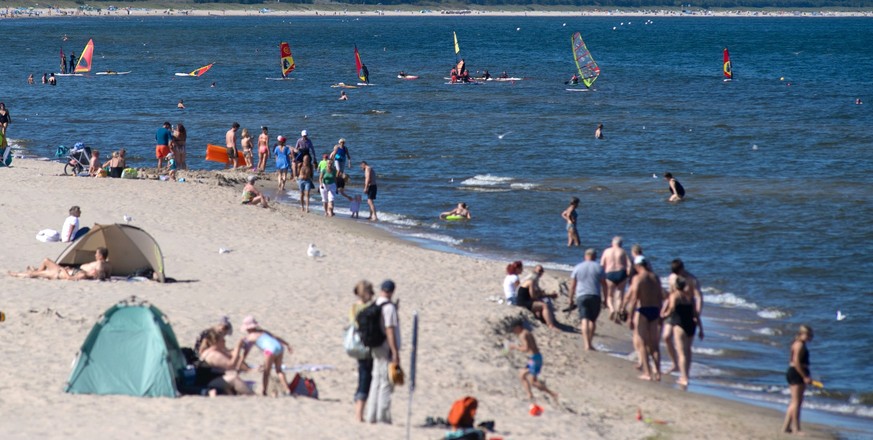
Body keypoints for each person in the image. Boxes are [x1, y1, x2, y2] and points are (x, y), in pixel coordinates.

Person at [365, 280, 401, 424]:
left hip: (375, 346)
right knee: (386, 383)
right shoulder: (389, 308)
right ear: (392, 291)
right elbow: (390, 330)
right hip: (385, 347)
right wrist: (395, 352)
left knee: (376, 381)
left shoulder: (376, 304)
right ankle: (382, 417)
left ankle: (371, 415)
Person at [624, 255, 663, 381]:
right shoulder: (655, 277)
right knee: (654, 345)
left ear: (637, 266)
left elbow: (635, 298)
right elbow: (660, 296)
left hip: (644, 311)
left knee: (642, 344)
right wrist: (661, 314)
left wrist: (630, 317)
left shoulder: (638, 278)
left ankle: (647, 373)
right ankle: (658, 372)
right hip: (655, 310)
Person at [233, 316, 294, 396]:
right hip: (279, 347)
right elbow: (275, 337)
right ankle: (287, 390)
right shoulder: (263, 331)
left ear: (249, 328)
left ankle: (264, 391)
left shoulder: (250, 337)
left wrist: (238, 365)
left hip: (269, 350)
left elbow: (245, 353)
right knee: (279, 370)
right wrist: (287, 344)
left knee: (266, 372)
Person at [660, 276, 703, 387]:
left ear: (676, 285)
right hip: (691, 326)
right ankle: (686, 375)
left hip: (680, 325)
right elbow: (695, 314)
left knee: (681, 353)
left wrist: (664, 315)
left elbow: (672, 308)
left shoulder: (675, 295)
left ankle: (683, 378)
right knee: (688, 351)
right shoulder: (690, 297)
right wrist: (701, 329)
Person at [508, 319, 559, 404]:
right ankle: (530, 395)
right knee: (522, 375)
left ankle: (552, 394)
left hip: (535, 358)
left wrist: (515, 347)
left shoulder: (522, 335)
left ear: (518, 327)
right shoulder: (526, 332)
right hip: (534, 358)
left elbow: (526, 348)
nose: (513, 331)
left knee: (533, 382)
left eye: (514, 329)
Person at [567, 249, 607, 351]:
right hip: (595, 295)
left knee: (584, 319)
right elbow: (604, 285)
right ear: (595, 257)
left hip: (581, 296)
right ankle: (590, 342)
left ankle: (586, 344)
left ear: (585, 256)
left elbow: (572, 286)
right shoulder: (599, 268)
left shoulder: (578, 267)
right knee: (592, 321)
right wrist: (606, 299)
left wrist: (570, 299)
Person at [350, 281, 375, 422]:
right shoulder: (367, 308)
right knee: (366, 378)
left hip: (357, 345)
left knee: (362, 374)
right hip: (366, 346)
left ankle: (358, 412)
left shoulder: (353, 307)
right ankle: (359, 414)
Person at [782, 325, 814, 435]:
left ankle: (786, 427)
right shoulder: (799, 345)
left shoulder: (798, 344)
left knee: (794, 402)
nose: (810, 337)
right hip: (796, 373)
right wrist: (804, 376)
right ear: (802, 334)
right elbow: (796, 362)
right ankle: (797, 428)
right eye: (808, 334)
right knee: (797, 402)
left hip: (794, 372)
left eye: (811, 335)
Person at [10, 247, 110, 281]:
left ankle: (17, 274)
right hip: (60, 271)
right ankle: (34, 270)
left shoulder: (83, 275)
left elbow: (69, 278)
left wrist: (63, 270)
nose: (94, 270)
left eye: (95, 272)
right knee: (45, 262)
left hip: (58, 273)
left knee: (35, 274)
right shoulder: (84, 273)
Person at [516, 265, 558, 330]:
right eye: (539, 271)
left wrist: (549, 295)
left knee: (542, 302)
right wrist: (540, 295)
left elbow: (535, 294)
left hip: (525, 300)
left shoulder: (532, 281)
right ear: (534, 271)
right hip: (523, 302)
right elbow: (533, 296)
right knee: (544, 305)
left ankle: (543, 319)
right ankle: (550, 325)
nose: (540, 273)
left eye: (541, 271)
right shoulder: (531, 281)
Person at [601, 236, 632, 324]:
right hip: (621, 274)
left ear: (612, 243)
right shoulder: (623, 251)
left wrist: (601, 276)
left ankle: (611, 309)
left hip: (610, 274)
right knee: (619, 296)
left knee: (609, 295)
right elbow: (629, 265)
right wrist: (628, 275)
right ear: (621, 244)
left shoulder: (606, 251)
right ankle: (618, 312)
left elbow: (602, 264)